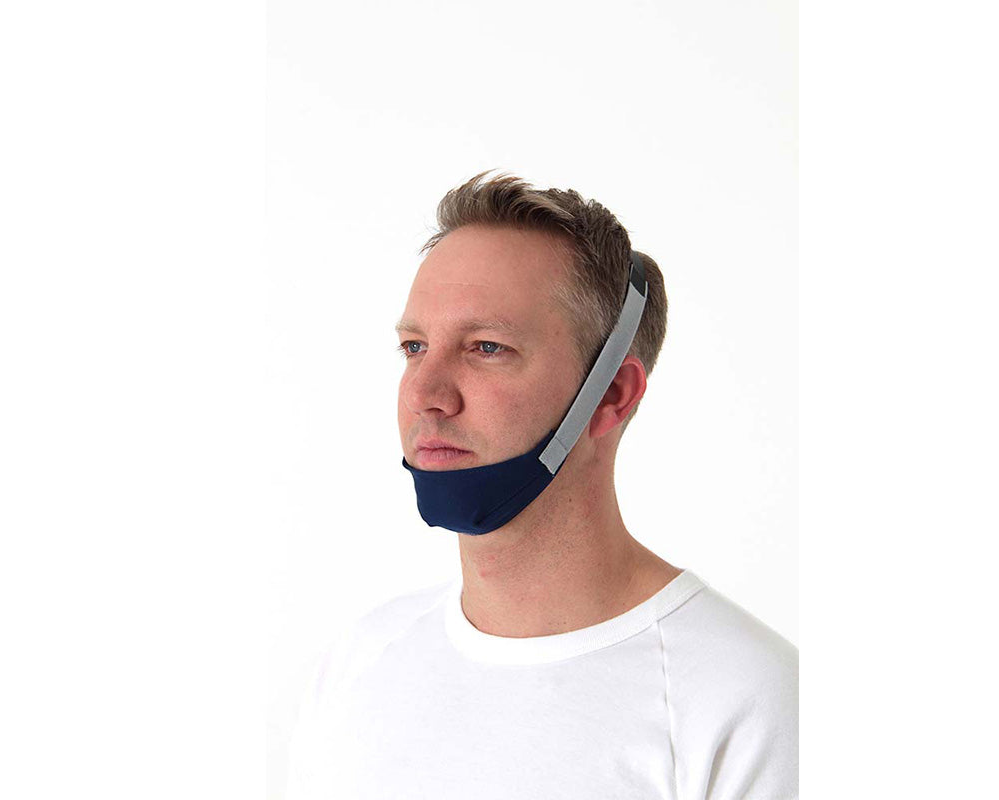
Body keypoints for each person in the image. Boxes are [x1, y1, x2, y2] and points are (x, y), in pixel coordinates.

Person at [283, 170, 798, 800]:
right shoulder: (357, 665)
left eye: (486, 347)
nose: (425, 394)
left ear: (611, 394)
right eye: (414, 347)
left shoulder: (746, 702)